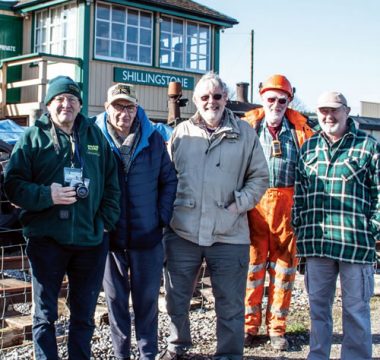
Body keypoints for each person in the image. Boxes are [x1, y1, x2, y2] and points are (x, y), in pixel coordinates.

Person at [4, 76, 121, 360]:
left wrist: (104, 223)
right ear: (48, 105)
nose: (66, 104)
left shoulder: (96, 138)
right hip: (47, 241)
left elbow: (111, 185)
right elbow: (13, 186)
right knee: (45, 315)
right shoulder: (32, 139)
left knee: (84, 315)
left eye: (72, 99)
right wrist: (48, 195)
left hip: (90, 241)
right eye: (59, 99)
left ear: (80, 105)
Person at [162, 72, 269, 360]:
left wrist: (239, 204)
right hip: (182, 231)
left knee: (230, 303)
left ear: (226, 99)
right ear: (196, 100)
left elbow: (259, 177)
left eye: (217, 96)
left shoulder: (245, 134)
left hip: (229, 233)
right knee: (176, 298)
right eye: (205, 97)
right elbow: (166, 177)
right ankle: (177, 347)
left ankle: (229, 354)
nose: (212, 101)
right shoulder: (181, 133)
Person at [292, 91, 380, 360]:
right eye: (323, 111)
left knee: (355, 308)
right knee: (318, 307)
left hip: (355, 243)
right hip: (317, 242)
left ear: (347, 111)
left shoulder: (367, 147)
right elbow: (300, 193)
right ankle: (318, 355)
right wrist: (300, 226)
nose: (328, 116)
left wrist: (372, 228)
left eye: (334, 110)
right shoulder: (308, 147)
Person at [96, 83, 177, 360]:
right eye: (118, 106)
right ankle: (121, 355)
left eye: (129, 106)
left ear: (137, 108)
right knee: (116, 304)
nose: (124, 113)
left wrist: (161, 218)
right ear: (107, 108)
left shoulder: (153, 139)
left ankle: (148, 354)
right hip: (111, 238)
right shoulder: (95, 139)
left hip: (148, 237)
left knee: (147, 304)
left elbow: (169, 180)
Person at [243, 74, 313, 350]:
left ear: (289, 101)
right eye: (271, 99)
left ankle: (277, 328)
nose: (276, 104)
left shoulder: (301, 132)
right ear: (262, 99)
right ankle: (249, 326)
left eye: (281, 100)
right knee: (252, 269)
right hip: (255, 208)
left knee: (284, 274)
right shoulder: (249, 127)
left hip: (288, 209)